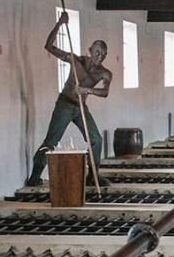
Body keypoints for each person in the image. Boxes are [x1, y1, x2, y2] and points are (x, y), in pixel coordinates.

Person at [25, 12, 113, 187]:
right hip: (65, 105)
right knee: (51, 141)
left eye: (102, 54)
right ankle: (34, 176)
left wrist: (87, 90)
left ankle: (92, 175)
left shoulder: (105, 73)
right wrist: (59, 23)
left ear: (105, 55)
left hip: (81, 107)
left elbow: (105, 93)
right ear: (90, 51)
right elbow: (49, 46)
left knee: (96, 139)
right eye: (96, 52)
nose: (98, 56)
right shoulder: (76, 60)